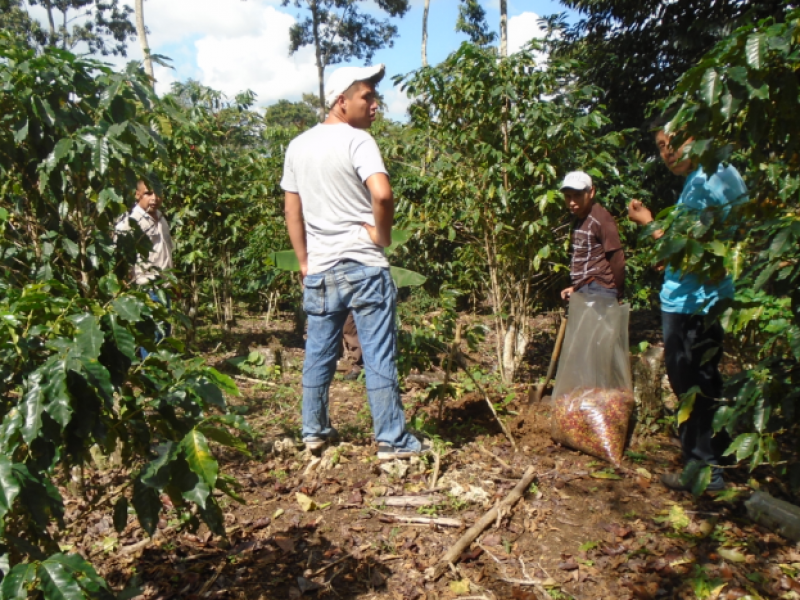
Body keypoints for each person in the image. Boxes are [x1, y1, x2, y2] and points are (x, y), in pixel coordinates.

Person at [281, 63, 427, 459]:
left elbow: (291, 210)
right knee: (378, 352)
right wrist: (381, 236)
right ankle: (391, 441)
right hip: (364, 265)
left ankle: (314, 431)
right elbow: (382, 194)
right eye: (367, 96)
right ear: (341, 102)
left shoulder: (298, 146)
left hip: (323, 268)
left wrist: (303, 261)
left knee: (318, 353)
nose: (375, 104)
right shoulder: (358, 141)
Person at [628, 119, 747, 492]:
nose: (667, 152)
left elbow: (687, 252)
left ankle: (703, 472)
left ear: (697, 137)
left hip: (689, 301)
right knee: (708, 379)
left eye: (674, 142)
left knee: (688, 384)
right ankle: (720, 458)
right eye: (662, 146)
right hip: (714, 294)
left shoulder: (699, 184)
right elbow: (714, 241)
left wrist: (648, 223)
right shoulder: (726, 173)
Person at [115, 180, 174, 356]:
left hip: (165, 285)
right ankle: (151, 378)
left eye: (158, 194)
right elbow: (120, 255)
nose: (154, 198)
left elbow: (167, 251)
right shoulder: (131, 222)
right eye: (149, 193)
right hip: (147, 286)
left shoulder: (162, 219)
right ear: (138, 195)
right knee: (151, 335)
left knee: (164, 333)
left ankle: (160, 374)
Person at [559, 171, 625, 302]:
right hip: (587, 288)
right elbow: (589, 260)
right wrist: (576, 288)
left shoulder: (600, 219)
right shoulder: (580, 218)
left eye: (577, 195)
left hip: (600, 290)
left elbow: (617, 258)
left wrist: (618, 292)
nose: (572, 202)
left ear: (591, 192)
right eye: (568, 196)